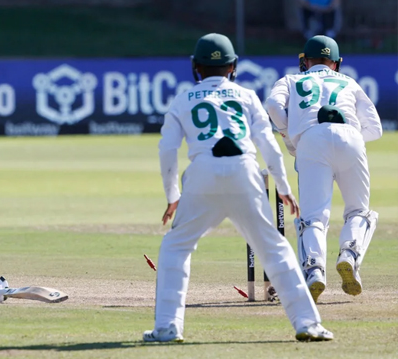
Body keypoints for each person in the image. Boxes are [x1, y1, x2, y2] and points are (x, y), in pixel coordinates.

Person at [143, 33, 333, 343]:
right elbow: (268, 145)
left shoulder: (182, 99)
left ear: (195, 67)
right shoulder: (246, 96)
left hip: (202, 174)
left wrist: (172, 196)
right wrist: (283, 187)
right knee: (274, 250)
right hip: (245, 173)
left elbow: (167, 149)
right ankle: (308, 324)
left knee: (175, 247)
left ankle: (167, 327)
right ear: (233, 66)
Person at [264, 35, 382, 303]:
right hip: (351, 137)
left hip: (309, 141)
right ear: (336, 64)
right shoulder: (349, 82)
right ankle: (349, 255)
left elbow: (272, 105)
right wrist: (348, 139)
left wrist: (288, 135)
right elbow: (375, 129)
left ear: (305, 62)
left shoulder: (291, 80)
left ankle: (315, 270)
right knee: (359, 211)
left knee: (314, 216)